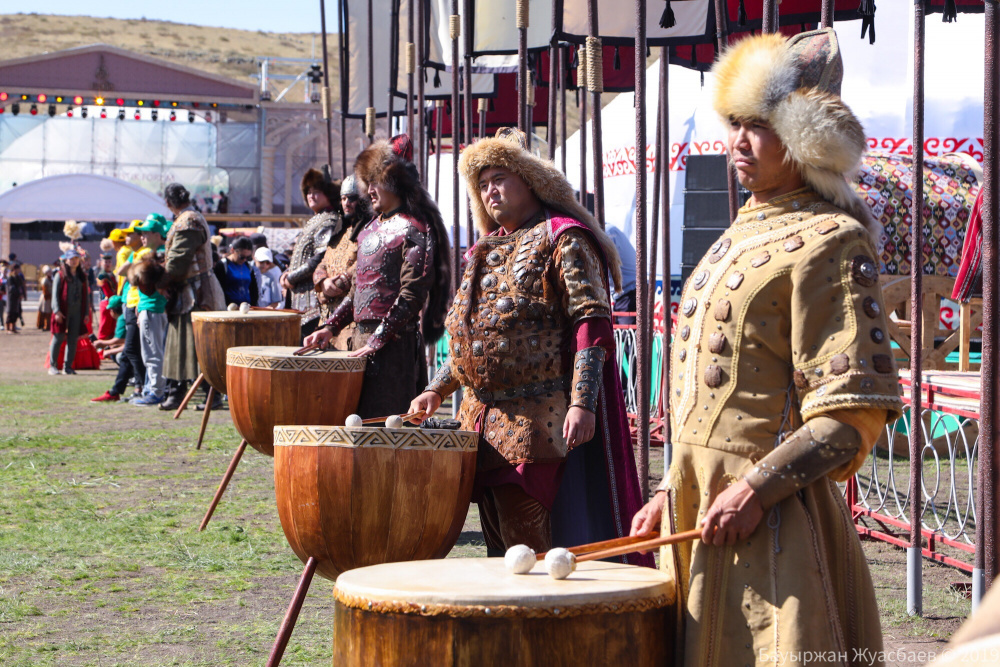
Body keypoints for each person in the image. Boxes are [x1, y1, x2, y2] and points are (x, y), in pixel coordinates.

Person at [628, 29, 903, 666]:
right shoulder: (737, 232)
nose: (738, 142)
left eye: (761, 126)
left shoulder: (831, 240)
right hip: (700, 514)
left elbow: (850, 414)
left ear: (804, 138)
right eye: (735, 124)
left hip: (775, 527)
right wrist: (672, 486)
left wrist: (754, 488)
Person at [408, 127, 650, 560]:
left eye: (499, 179)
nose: (490, 191)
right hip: (480, 422)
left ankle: (545, 625)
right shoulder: (484, 249)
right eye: (482, 185)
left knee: (529, 556)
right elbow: (472, 340)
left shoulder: (564, 237)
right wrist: (435, 389)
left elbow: (591, 324)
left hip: (539, 420)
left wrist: (583, 403)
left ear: (531, 182)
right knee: (500, 552)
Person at [304, 134, 451, 418]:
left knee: (389, 435)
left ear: (397, 181)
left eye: (376, 181)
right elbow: (359, 292)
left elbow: (412, 295)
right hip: (360, 345)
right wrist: (331, 327)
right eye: (366, 182)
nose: (369, 190)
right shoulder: (369, 229)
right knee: (356, 430)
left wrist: (378, 340)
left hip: (395, 351)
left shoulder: (415, 227)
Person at [156, 183, 226, 411]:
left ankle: (209, 396)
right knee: (182, 344)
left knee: (199, 347)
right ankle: (179, 394)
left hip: (197, 294)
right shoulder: (190, 218)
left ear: (168, 203)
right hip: (189, 292)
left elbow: (178, 261)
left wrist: (159, 282)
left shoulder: (188, 222)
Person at [312, 173, 372, 349]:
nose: (346, 203)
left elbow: (360, 268)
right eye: (344, 198)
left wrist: (335, 285)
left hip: (350, 325)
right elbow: (322, 263)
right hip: (326, 322)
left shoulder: (370, 233)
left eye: (352, 198)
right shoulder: (342, 233)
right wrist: (323, 282)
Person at [282, 168, 342, 338]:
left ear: (328, 194)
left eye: (316, 192)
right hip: (299, 303)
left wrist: (291, 277)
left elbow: (319, 258)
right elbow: (300, 258)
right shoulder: (316, 220)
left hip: (312, 304)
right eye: (308, 192)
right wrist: (286, 274)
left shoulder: (329, 219)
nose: (311, 196)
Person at [131, 214, 171, 405]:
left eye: (146, 232)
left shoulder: (160, 257)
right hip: (154, 309)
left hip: (154, 309)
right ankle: (152, 389)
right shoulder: (161, 256)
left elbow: (133, 278)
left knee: (153, 352)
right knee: (154, 352)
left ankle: (156, 392)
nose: (142, 237)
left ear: (157, 234)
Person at [49, 249, 92, 375]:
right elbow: (55, 295)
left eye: (76, 259)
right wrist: (56, 311)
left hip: (77, 311)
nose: (74, 261)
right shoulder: (60, 275)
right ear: (66, 260)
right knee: (58, 337)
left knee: (73, 339)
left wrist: (86, 313)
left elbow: (86, 296)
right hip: (62, 311)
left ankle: (68, 366)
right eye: (71, 259)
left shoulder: (82, 276)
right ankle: (53, 366)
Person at [91, 295, 132, 402]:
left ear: (113, 310)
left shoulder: (122, 319)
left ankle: (134, 382)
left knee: (122, 357)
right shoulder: (125, 316)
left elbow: (123, 342)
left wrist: (104, 345)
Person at [214, 236, 259, 307]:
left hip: (246, 307)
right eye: (241, 257)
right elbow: (218, 290)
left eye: (248, 257)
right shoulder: (222, 265)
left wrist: (253, 305)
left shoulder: (248, 266)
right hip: (228, 308)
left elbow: (253, 289)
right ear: (232, 250)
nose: (244, 260)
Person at [606, 225, 638, 325]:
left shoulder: (606, 232)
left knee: (627, 336)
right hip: (631, 291)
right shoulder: (608, 229)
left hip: (629, 293)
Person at [5, 261, 26, 334]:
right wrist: (18, 294)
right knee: (10, 313)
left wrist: (22, 294)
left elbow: (21, 286)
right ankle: (8, 328)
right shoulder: (10, 278)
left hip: (17, 298)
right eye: (18, 269)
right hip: (11, 298)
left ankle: (13, 327)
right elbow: (12, 288)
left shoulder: (18, 277)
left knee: (16, 313)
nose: (19, 270)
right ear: (14, 269)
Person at [37, 265, 53, 331]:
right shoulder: (45, 280)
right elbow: (45, 290)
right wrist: (48, 296)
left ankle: (48, 325)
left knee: (49, 312)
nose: (50, 273)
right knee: (46, 312)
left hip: (50, 297)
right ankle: (45, 325)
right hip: (46, 297)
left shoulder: (50, 279)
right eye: (49, 272)